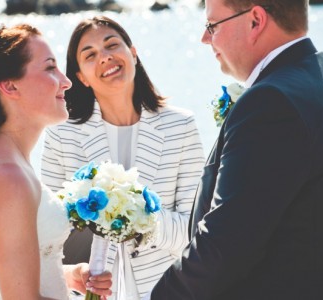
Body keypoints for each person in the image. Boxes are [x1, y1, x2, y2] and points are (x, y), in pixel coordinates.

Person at [149, 0, 323, 299]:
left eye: (212, 26)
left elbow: (224, 245)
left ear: (255, 21)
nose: (205, 38)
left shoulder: (272, 103)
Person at [41, 16, 205, 299]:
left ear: (133, 52)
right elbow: (46, 236)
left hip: (169, 289)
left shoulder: (181, 126)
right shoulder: (61, 135)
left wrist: (137, 215)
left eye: (112, 45)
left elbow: (195, 232)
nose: (104, 57)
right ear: (80, 76)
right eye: (90, 55)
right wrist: (74, 274)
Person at [0, 23, 112, 299]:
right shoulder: (6, 176)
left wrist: (69, 275)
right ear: (10, 85)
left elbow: (12, 274)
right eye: (50, 68)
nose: (66, 81)